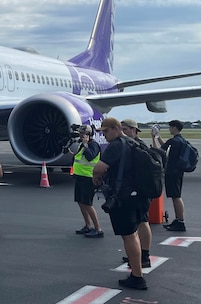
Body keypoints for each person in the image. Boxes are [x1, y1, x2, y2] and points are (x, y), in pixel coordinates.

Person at [92, 118, 147, 290]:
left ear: (116, 129)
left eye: (106, 132)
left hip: (124, 197)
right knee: (134, 234)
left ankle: (137, 276)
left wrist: (96, 177)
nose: (104, 136)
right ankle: (137, 271)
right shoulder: (134, 143)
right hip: (138, 194)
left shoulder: (117, 145)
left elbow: (99, 168)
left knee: (128, 236)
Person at [121, 119, 153, 268]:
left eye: (125, 129)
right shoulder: (132, 145)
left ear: (134, 130)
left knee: (142, 222)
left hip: (141, 191)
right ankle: (138, 254)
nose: (123, 132)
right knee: (139, 223)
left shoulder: (138, 146)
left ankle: (144, 256)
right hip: (139, 190)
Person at [65, 125, 103, 238]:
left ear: (89, 134)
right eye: (81, 133)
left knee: (87, 204)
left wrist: (86, 144)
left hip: (88, 178)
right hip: (79, 177)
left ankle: (98, 229)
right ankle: (88, 225)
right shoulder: (82, 145)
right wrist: (69, 152)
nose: (81, 135)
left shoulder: (93, 145)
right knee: (81, 202)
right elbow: (77, 158)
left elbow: (91, 157)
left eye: (84, 133)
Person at [152, 119, 188, 232]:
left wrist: (154, 138)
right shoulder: (180, 140)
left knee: (175, 196)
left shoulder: (175, 141)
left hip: (172, 172)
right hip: (179, 171)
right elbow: (166, 146)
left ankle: (180, 221)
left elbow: (158, 151)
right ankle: (178, 220)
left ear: (174, 128)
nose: (169, 129)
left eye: (170, 127)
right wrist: (158, 137)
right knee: (176, 196)